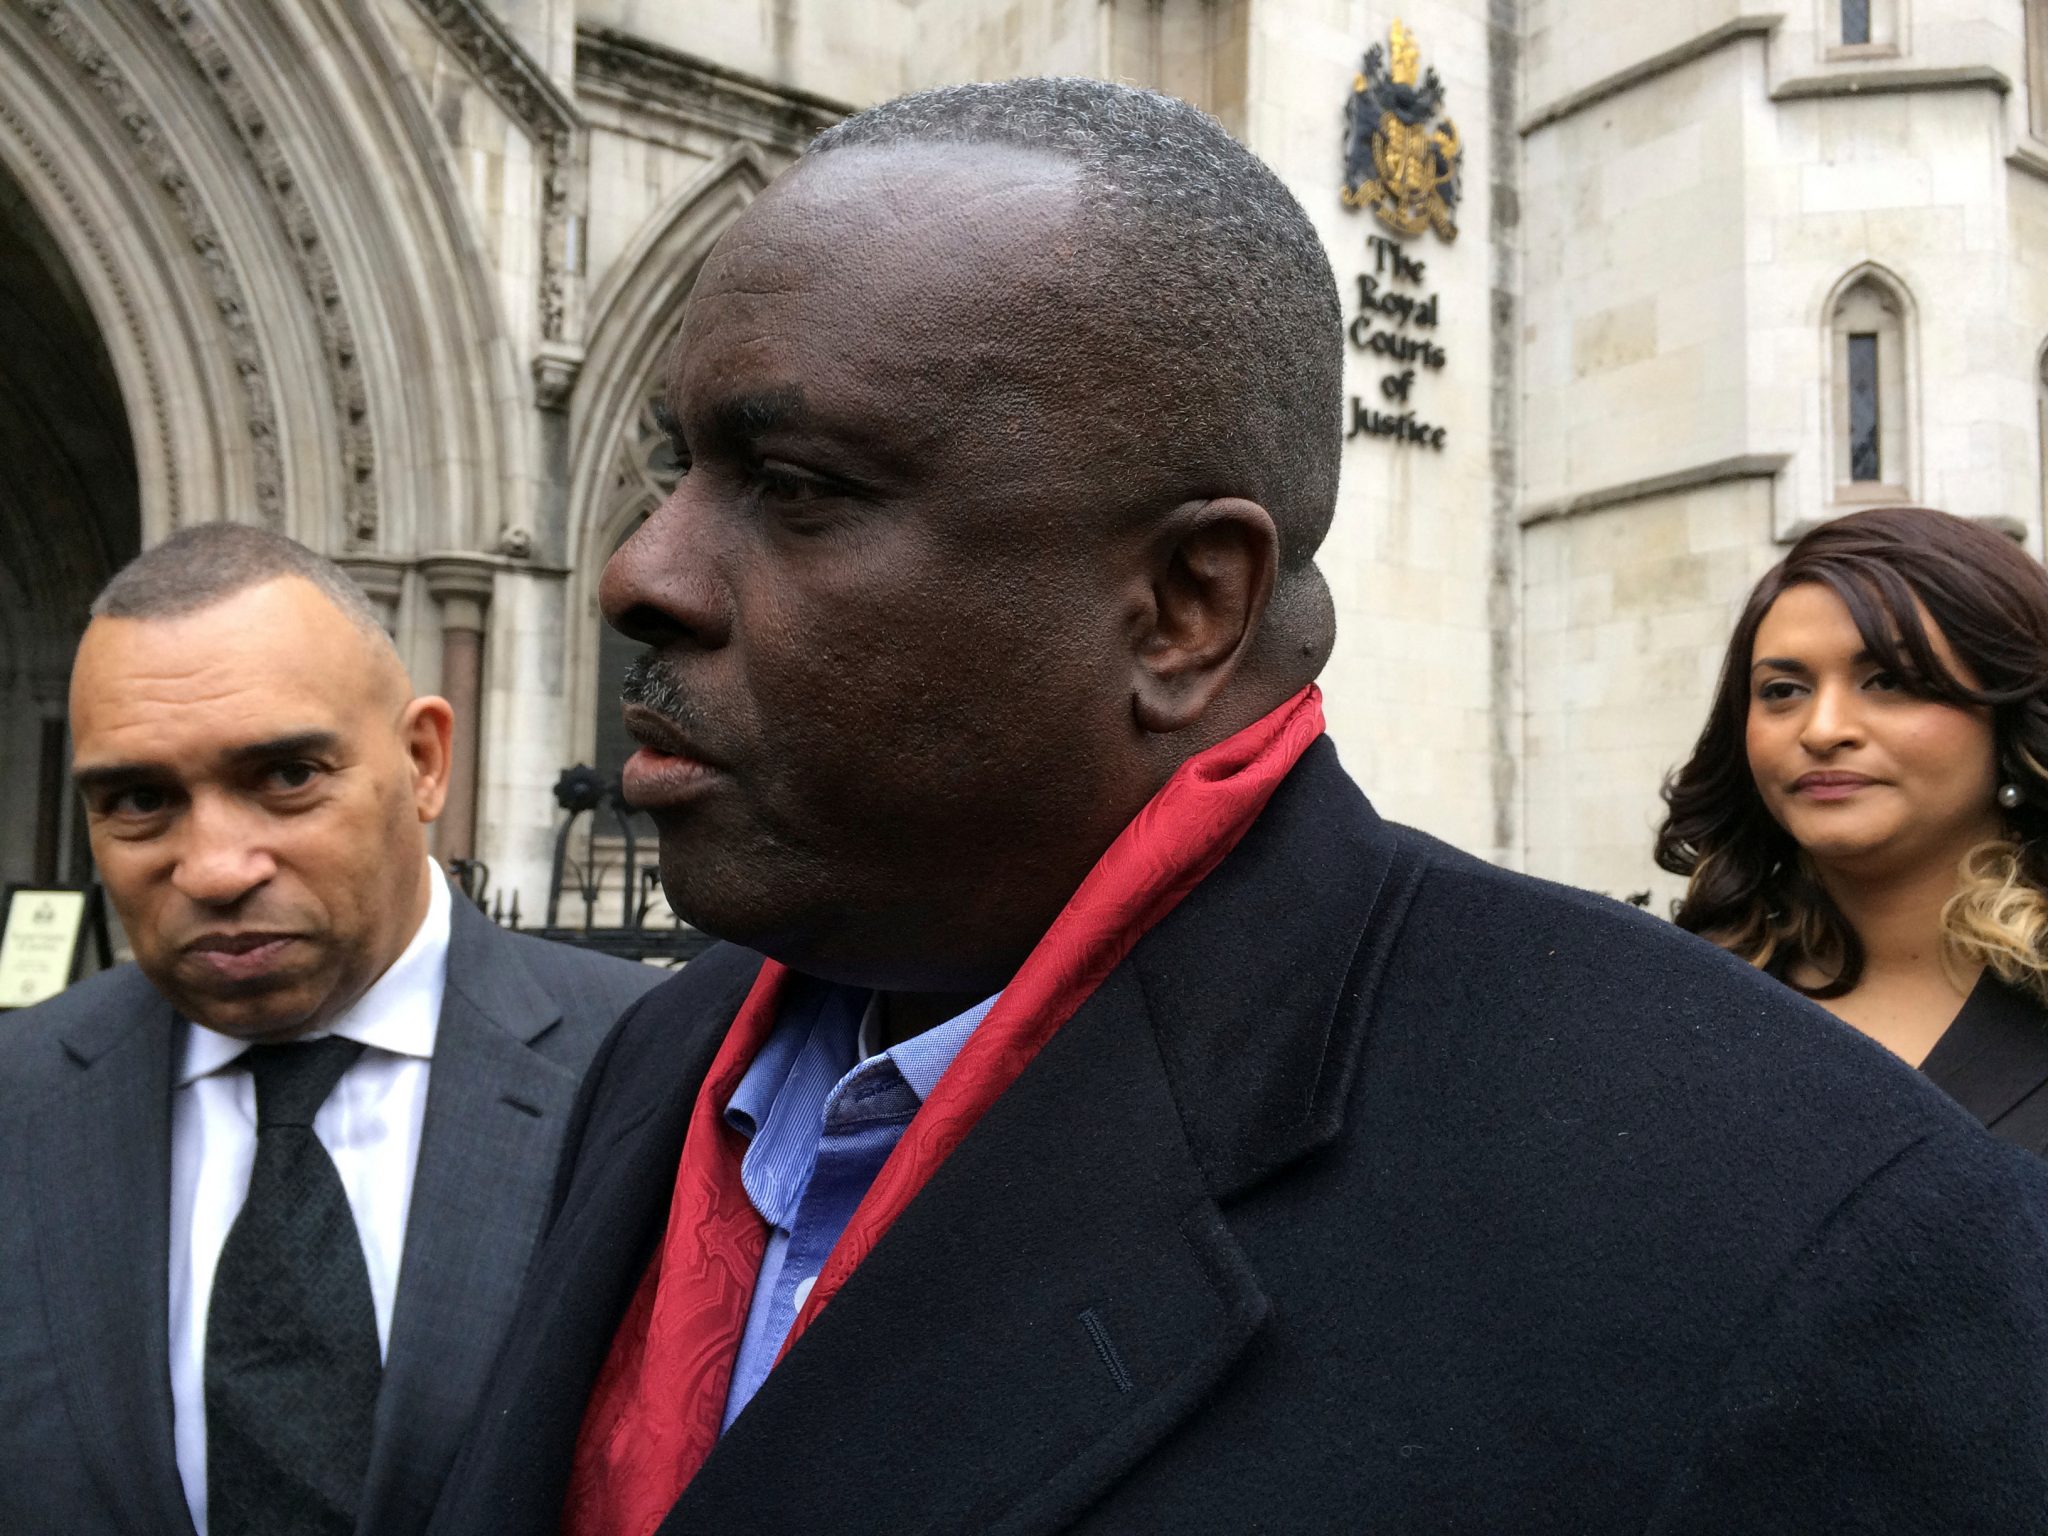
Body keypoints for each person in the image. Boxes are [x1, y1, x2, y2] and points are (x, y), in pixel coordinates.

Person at [429, 82, 2048, 1535]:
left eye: (796, 490)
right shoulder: (662, 1059)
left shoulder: (1785, 1233)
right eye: (678, 470)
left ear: (1184, 606)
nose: (638, 572)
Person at [0, 525, 661, 1536]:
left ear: (424, 761)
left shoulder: (653, 1072)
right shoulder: (20, 1097)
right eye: (139, 799)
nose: (215, 867)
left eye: (286, 777)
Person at [1658, 505, 2048, 1154]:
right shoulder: (1681, 998)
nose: (1822, 729)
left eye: (1888, 680)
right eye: (1783, 690)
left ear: (2010, 719)